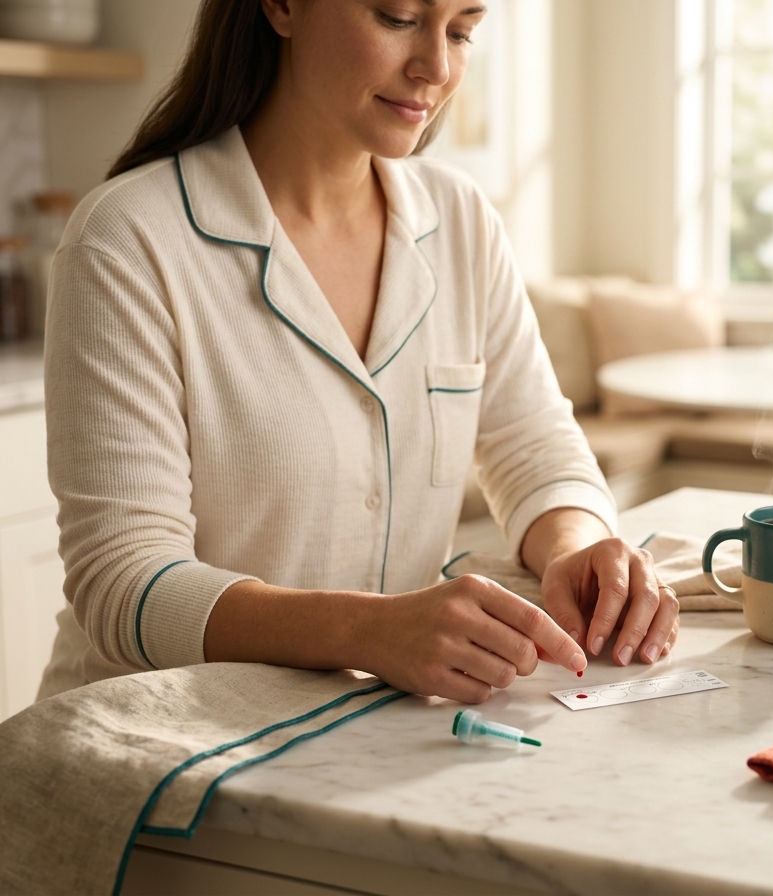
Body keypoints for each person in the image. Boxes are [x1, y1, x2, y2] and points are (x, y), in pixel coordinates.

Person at [38, 0, 679, 704]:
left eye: (462, 31)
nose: (436, 67)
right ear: (282, 6)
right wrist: (365, 630)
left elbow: (535, 447)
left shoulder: (460, 220)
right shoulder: (129, 238)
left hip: (363, 737)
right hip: (155, 745)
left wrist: (576, 547)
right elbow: (122, 581)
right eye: (398, 16)